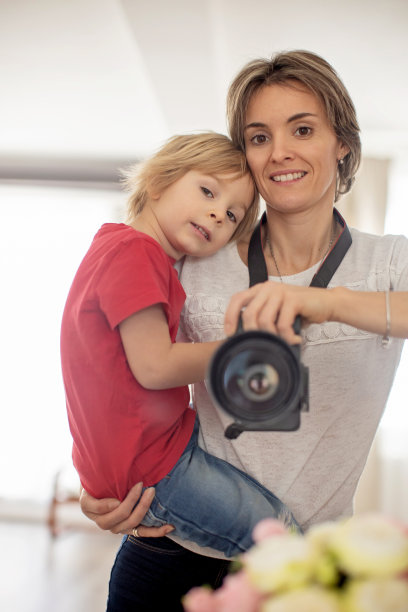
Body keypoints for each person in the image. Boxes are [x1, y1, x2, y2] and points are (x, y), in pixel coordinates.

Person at [79, 51, 408, 611]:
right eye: (259, 137)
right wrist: (99, 468)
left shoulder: (388, 264)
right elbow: (103, 352)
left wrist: (324, 302)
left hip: (300, 574)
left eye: (302, 129)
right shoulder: (195, 252)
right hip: (169, 558)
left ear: (342, 145)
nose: (279, 150)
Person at [61, 130, 307, 564]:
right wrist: (245, 348)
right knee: (278, 533)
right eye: (208, 191)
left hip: (155, 449)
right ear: (158, 182)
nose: (217, 214)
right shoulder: (135, 253)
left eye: (232, 215)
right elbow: (155, 367)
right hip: (152, 468)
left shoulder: (122, 248)